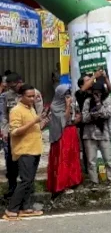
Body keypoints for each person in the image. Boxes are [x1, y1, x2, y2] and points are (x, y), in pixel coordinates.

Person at [3, 85, 49, 221]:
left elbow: (34, 127)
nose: (32, 99)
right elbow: (15, 131)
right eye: (29, 96)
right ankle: (11, 209)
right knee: (25, 180)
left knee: (29, 181)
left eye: (33, 96)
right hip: (24, 150)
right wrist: (34, 121)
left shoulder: (31, 109)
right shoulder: (16, 111)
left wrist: (42, 122)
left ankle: (26, 208)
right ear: (21, 96)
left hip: (35, 148)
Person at [0, 74, 43, 200]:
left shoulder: (33, 93)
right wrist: (4, 132)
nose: (11, 89)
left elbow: (39, 113)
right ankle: (13, 190)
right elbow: (4, 116)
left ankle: (28, 192)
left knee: (29, 166)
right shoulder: (6, 96)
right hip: (13, 134)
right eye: (8, 86)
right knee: (11, 164)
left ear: (20, 82)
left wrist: (38, 127)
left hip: (30, 134)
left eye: (13, 86)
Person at [47, 83, 83, 195]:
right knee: (63, 159)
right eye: (65, 94)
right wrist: (67, 106)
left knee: (72, 157)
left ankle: (73, 181)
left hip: (71, 132)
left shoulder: (72, 103)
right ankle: (62, 184)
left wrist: (77, 117)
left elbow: (75, 116)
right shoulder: (55, 106)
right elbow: (64, 120)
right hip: (62, 135)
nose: (68, 96)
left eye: (69, 93)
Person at [82, 82, 111, 186]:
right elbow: (84, 118)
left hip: (104, 133)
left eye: (99, 93)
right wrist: (94, 116)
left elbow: (108, 114)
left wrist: (98, 104)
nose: (97, 95)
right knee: (91, 161)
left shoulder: (107, 100)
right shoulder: (87, 101)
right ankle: (94, 181)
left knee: (108, 159)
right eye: (95, 93)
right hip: (89, 134)